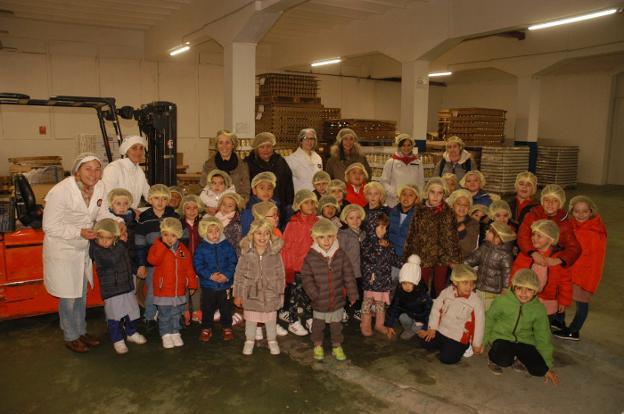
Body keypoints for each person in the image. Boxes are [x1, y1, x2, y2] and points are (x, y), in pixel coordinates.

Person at [43, 153, 120, 353]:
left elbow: (102, 213)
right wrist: (78, 232)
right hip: (62, 249)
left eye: (97, 169)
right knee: (68, 298)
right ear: (77, 171)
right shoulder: (60, 191)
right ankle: (70, 336)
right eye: (88, 169)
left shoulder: (100, 187)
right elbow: (49, 226)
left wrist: (117, 223)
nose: (93, 174)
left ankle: (81, 331)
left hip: (81, 249)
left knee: (81, 294)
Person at [485, 269, 560, 385]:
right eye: (519, 288)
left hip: (525, 341)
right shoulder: (502, 301)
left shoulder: (539, 309)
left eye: (529, 289)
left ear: (535, 291)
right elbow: (489, 319)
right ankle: (493, 358)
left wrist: (547, 365)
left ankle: (518, 358)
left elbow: (543, 335)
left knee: (539, 370)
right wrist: (482, 341)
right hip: (502, 338)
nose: (523, 293)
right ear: (513, 287)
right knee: (504, 360)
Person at [301, 218, 359, 361]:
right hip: (319, 300)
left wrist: (352, 294)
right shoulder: (311, 257)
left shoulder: (340, 254)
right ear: (314, 238)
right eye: (321, 237)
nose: (326, 241)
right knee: (318, 326)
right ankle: (318, 345)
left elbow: (349, 275)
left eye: (330, 237)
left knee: (336, 327)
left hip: (337, 299)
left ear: (335, 237)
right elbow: (306, 278)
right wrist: (314, 294)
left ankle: (337, 346)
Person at [553, 196, 607, 341]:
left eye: (584, 211)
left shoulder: (594, 232)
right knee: (560, 294)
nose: (581, 214)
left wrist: (584, 277)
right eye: (577, 211)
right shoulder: (572, 225)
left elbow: (594, 259)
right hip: (570, 270)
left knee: (581, 303)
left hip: (584, 275)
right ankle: (558, 321)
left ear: (591, 211)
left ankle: (574, 330)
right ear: (572, 211)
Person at [89, 219, 146, 354]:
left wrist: (135, 270)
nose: (104, 241)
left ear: (114, 237)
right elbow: (112, 258)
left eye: (108, 238)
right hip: (112, 290)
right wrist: (122, 243)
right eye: (100, 237)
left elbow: (126, 260)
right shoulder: (98, 250)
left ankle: (131, 333)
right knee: (114, 316)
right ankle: (117, 340)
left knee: (131, 312)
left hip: (126, 286)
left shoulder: (119, 246)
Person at [233, 219, 286, 356]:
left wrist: (280, 293)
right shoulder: (246, 254)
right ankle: (249, 340)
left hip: (271, 294)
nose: (262, 237)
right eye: (259, 233)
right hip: (251, 294)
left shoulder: (275, 254)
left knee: (270, 320)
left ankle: (272, 340)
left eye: (266, 234)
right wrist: (238, 294)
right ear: (252, 234)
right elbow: (239, 275)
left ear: (270, 236)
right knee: (251, 319)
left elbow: (281, 274)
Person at [403, 178, 461, 297]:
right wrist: (409, 255)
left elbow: (451, 237)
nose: (436, 196)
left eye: (440, 193)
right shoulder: (419, 210)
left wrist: (454, 259)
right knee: (420, 285)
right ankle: (422, 311)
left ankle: (438, 312)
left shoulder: (448, 212)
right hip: (423, 255)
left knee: (440, 287)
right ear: (427, 193)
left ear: (444, 194)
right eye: (432, 192)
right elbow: (412, 233)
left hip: (442, 256)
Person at [418, 264, 485, 364]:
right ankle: (446, 346)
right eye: (465, 283)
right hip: (442, 330)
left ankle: (466, 347)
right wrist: (432, 328)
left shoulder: (476, 301)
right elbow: (436, 309)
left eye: (472, 283)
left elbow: (480, 324)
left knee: (447, 359)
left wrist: (477, 344)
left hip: (458, 337)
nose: (469, 287)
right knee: (424, 343)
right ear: (455, 282)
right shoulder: (446, 292)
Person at [147, 218, 198, 349]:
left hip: (178, 290)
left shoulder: (183, 250)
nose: (169, 238)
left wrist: (192, 284)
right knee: (164, 315)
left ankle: (175, 332)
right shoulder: (157, 246)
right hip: (163, 290)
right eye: (165, 234)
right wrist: (162, 246)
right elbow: (153, 260)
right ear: (161, 234)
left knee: (176, 313)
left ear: (179, 235)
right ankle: (165, 334)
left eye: (173, 235)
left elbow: (188, 268)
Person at [512, 219, 572, 328]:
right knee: (523, 325)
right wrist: (510, 289)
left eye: (539, 236)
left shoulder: (557, 260)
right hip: (525, 298)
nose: (534, 238)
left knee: (542, 328)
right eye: (533, 234)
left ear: (550, 240)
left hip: (548, 302)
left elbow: (565, 282)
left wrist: (564, 301)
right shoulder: (526, 255)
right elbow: (515, 273)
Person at [135, 184, 179, 326]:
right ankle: (149, 316)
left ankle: (171, 317)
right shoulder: (144, 218)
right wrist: (141, 264)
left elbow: (183, 239)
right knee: (153, 290)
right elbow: (140, 244)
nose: (160, 202)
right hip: (152, 263)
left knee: (171, 289)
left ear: (168, 200)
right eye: (156, 198)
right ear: (149, 199)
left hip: (172, 261)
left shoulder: (174, 215)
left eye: (164, 199)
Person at [280, 189, 319, 336]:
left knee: (310, 295)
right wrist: (289, 268)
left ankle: (309, 318)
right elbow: (286, 248)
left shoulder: (317, 222)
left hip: (312, 268)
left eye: (312, 202)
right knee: (295, 297)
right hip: (296, 269)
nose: (310, 205)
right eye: (306, 202)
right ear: (298, 205)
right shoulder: (292, 224)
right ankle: (293, 321)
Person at [193, 216, 238, 343]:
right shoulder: (202, 247)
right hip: (209, 285)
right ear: (204, 232)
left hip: (225, 285)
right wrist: (210, 275)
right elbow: (198, 265)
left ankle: (227, 327)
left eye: (217, 231)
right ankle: (206, 327)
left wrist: (226, 275)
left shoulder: (227, 245)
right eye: (210, 231)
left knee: (226, 308)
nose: (214, 234)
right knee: (207, 307)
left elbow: (233, 262)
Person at [517, 184, 581, 272]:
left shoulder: (564, 223)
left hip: (551, 260)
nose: (550, 204)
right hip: (529, 257)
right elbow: (522, 236)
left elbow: (575, 247)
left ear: (561, 203)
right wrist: (533, 253)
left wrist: (559, 260)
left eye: (555, 201)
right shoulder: (533, 215)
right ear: (542, 201)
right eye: (547, 200)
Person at [360, 214, 401, 336]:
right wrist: (380, 247)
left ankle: (379, 324)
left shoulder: (387, 244)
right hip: (371, 280)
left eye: (386, 228)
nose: (384, 231)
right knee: (367, 303)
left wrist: (388, 248)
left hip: (383, 280)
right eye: (381, 227)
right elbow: (370, 259)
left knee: (380, 304)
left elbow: (395, 260)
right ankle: (365, 324)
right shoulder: (366, 243)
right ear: (372, 227)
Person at [464, 222, 516, 310]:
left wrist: (505, 288)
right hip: (479, 287)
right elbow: (473, 259)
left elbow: (507, 272)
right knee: (477, 309)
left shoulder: (505, 255)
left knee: (488, 310)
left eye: (490, 231)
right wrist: (462, 264)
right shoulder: (484, 247)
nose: (487, 232)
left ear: (498, 238)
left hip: (493, 292)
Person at [245, 132, 294, 224]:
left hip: (279, 205)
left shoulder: (280, 162)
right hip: (256, 205)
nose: (265, 150)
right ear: (256, 149)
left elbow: (288, 185)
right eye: (262, 147)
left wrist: (289, 204)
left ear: (273, 147)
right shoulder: (248, 163)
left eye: (268, 146)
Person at [384, 255, 432, 340]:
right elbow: (394, 308)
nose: (406, 286)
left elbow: (430, 313)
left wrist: (425, 328)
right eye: (404, 283)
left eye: (410, 283)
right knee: (402, 317)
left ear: (416, 283)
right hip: (409, 315)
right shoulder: (400, 292)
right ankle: (410, 329)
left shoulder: (423, 295)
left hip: (420, 319)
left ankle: (414, 330)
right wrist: (389, 325)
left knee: (416, 329)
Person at [102, 135, 150, 210]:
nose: (138, 152)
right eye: (134, 148)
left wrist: (163, 199)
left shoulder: (139, 170)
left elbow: (147, 193)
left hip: (131, 213)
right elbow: (107, 198)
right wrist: (130, 212)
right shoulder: (113, 168)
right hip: (114, 213)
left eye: (141, 148)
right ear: (127, 151)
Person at [200, 129, 250, 201]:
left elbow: (245, 191)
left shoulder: (242, 165)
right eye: (220, 143)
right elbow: (203, 187)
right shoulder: (208, 165)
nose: (224, 146)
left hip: (235, 205)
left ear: (233, 145)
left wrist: (237, 205)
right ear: (217, 145)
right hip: (212, 205)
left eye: (227, 142)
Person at [337, 204, 366, 322]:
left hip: (362, 270)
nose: (355, 221)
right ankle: (343, 309)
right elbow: (340, 253)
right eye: (351, 218)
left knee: (360, 290)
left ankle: (358, 309)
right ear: (345, 219)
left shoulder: (364, 234)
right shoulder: (343, 234)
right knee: (346, 291)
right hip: (348, 270)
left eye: (358, 217)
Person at [178, 194, 204, 325]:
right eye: (188, 208)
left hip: (199, 261)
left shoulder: (202, 224)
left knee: (197, 286)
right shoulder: (179, 225)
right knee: (184, 286)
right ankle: (185, 311)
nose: (192, 210)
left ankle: (197, 311)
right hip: (184, 261)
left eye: (195, 208)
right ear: (183, 210)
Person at [379, 133, 425, 207]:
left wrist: (418, 196)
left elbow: (421, 182)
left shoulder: (418, 163)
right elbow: (384, 182)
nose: (406, 148)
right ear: (399, 146)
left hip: (412, 202)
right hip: (394, 201)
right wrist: (395, 193)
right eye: (403, 145)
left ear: (412, 146)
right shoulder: (391, 162)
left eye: (409, 145)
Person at [286, 128, 323, 193]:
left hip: (316, 196)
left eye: (312, 139)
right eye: (306, 138)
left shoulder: (318, 158)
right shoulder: (291, 159)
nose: (309, 141)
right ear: (301, 140)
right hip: (301, 197)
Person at [388, 184, 420, 257]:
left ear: (416, 199)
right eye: (404, 194)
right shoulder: (391, 213)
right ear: (399, 196)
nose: (406, 198)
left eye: (411, 195)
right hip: (389, 255)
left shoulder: (419, 216)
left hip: (407, 257)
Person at [447, 189, 480, 259]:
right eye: (458, 204)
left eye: (466, 205)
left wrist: (460, 233)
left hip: (462, 260)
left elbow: (469, 247)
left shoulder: (473, 224)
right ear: (452, 205)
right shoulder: (445, 220)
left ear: (469, 207)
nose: (462, 207)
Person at [216, 192, 245, 257]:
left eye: (230, 206)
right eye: (224, 204)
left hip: (229, 256)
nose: (226, 207)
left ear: (236, 208)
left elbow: (238, 245)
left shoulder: (236, 223)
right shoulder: (215, 218)